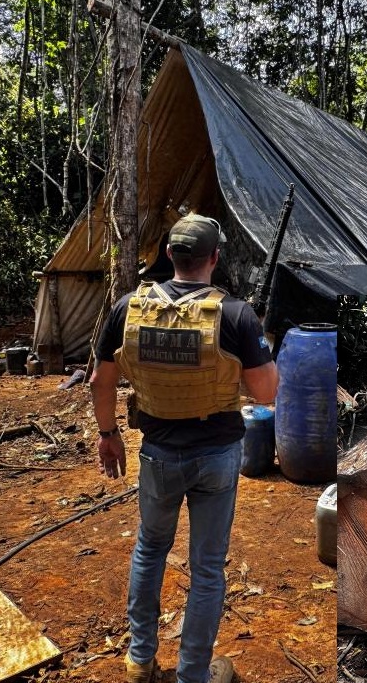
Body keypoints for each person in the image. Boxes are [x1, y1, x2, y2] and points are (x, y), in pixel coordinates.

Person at [90, 213, 278, 683]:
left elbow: (100, 380)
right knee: (208, 569)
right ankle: (193, 673)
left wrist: (108, 434)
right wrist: (260, 346)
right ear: (215, 258)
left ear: (170, 255)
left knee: (150, 550)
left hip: (157, 453)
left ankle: (139, 661)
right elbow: (267, 393)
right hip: (216, 456)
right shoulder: (234, 314)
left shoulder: (128, 308)